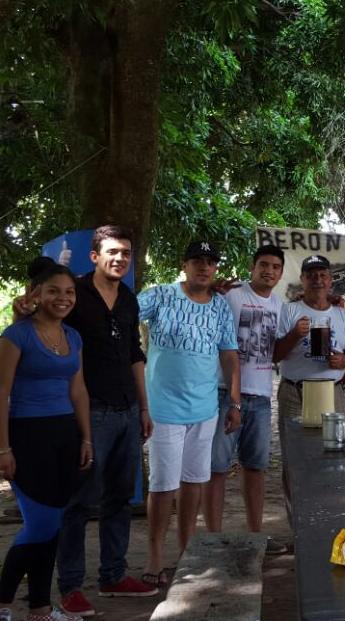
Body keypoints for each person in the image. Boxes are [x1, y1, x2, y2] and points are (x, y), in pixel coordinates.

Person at [9, 227, 155, 617]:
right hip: (89, 413)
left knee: (119, 498)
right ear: (94, 256)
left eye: (126, 253)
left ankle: (113, 575)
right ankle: (70, 586)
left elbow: (134, 354)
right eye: (112, 252)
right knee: (77, 502)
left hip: (127, 410)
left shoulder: (128, 298)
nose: (120, 259)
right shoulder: (73, 293)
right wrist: (21, 309)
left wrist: (144, 408)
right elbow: (38, 320)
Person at [0, 258, 93, 621]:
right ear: (35, 294)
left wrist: (86, 438)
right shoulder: (16, 335)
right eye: (53, 291)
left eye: (70, 292)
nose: (63, 298)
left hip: (65, 434)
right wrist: (1, 448)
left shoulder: (73, 337)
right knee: (40, 525)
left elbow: (78, 390)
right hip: (27, 436)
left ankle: (40, 609)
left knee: (53, 525)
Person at [137, 240, 241, 587]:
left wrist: (235, 402)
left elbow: (229, 354)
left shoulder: (220, 306)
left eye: (210, 261)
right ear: (184, 265)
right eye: (197, 260)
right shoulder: (160, 295)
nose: (204, 267)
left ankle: (186, 550)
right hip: (163, 409)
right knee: (163, 485)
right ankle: (155, 554)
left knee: (194, 481)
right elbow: (120, 313)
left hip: (205, 408)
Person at [204, 245, 288, 556]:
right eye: (263, 264)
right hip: (224, 393)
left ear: (281, 273)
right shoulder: (232, 294)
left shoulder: (279, 305)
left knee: (255, 468)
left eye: (276, 267)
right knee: (216, 468)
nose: (269, 271)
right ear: (252, 267)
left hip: (262, 396)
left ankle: (256, 536)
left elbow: (278, 349)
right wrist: (212, 289)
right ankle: (212, 539)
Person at [275, 254, 345, 419]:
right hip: (294, 392)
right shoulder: (289, 310)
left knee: (332, 436)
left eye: (323, 275)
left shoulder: (341, 314)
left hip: (332, 391)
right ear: (302, 279)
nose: (318, 280)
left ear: (330, 280)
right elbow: (275, 356)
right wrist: (294, 335)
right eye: (311, 276)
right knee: (294, 436)